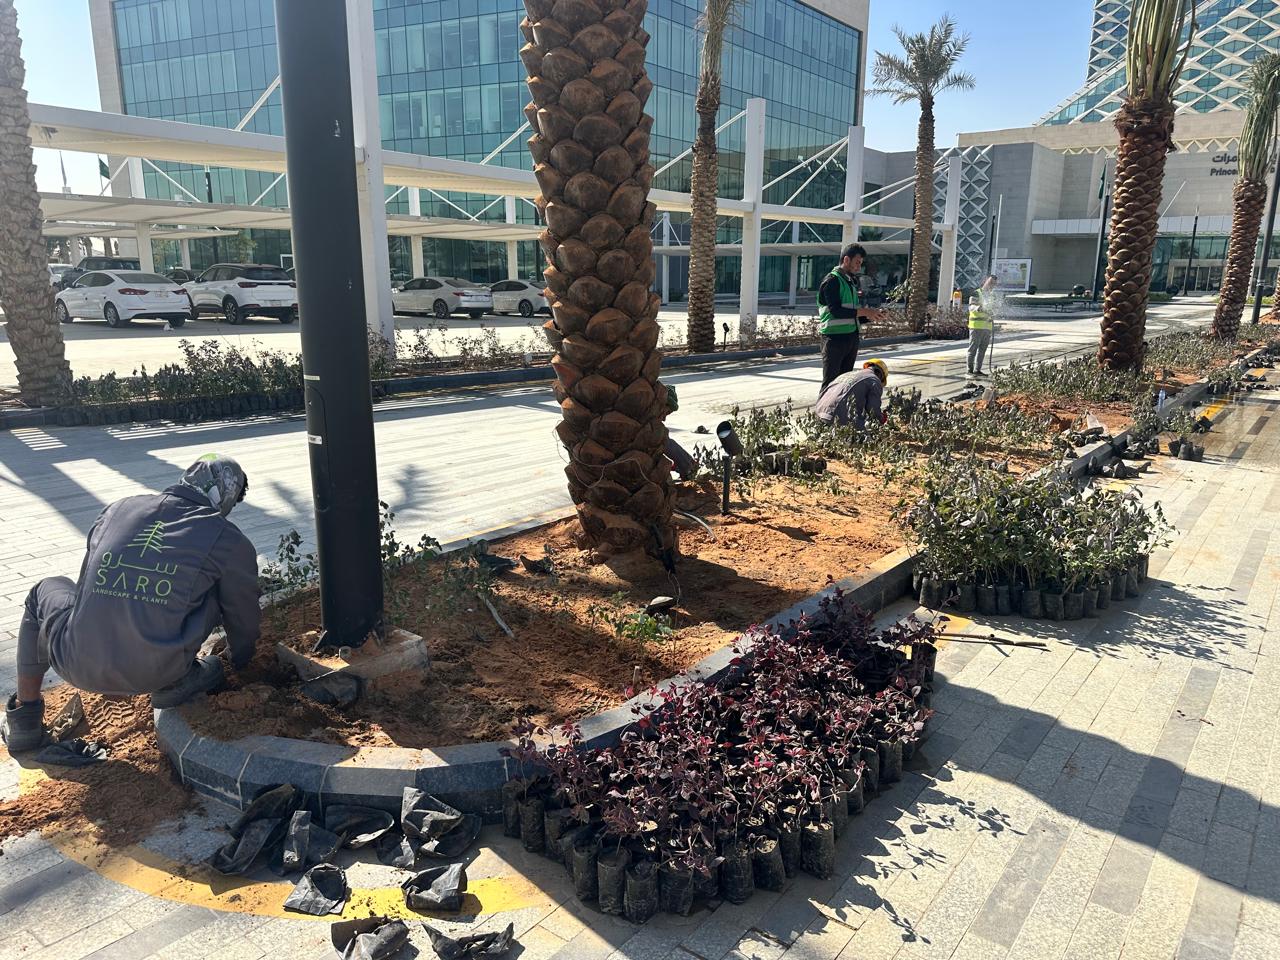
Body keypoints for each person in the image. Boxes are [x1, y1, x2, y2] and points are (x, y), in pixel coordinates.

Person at [2, 454, 262, 752]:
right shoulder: (227, 538)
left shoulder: (118, 509)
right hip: (159, 672)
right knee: (219, 589)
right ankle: (177, 682)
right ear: (225, 497)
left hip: (75, 661)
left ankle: (24, 721)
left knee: (44, 590)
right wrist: (241, 660)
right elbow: (243, 613)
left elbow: (88, 587)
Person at [817, 244, 889, 392]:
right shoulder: (832, 281)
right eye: (857, 262)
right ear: (846, 260)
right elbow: (836, 311)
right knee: (830, 384)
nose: (859, 267)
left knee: (844, 385)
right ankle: (823, 407)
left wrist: (872, 316)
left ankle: (841, 408)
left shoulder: (849, 283)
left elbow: (852, 315)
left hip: (850, 338)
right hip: (834, 340)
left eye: (860, 263)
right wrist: (865, 311)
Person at [815, 359, 889, 430]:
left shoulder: (847, 374)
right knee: (867, 431)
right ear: (881, 376)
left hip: (819, 413)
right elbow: (873, 410)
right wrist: (882, 419)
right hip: (837, 418)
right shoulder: (874, 380)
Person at [967, 275, 999, 377]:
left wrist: (994, 313)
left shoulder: (992, 296)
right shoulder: (977, 293)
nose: (991, 285)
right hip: (976, 326)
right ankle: (969, 370)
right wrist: (979, 308)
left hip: (987, 326)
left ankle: (977, 370)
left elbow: (994, 308)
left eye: (994, 284)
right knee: (973, 349)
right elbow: (971, 306)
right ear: (985, 281)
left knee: (982, 350)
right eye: (990, 282)